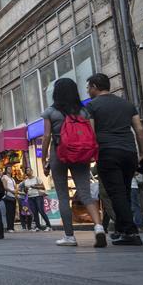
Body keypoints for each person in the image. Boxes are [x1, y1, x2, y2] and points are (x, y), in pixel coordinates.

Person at [86, 73, 143, 246]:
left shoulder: (91, 106)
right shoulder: (127, 104)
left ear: (94, 87)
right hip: (129, 152)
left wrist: (90, 155)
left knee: (116, 193)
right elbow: (139, 129)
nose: (88, 91)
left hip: (107, 152)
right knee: (125, 191)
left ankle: (131, 232)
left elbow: (90, 133)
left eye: (88, 87)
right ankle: (121, 230)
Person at [42, 77, 105, 247]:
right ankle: (99, 227)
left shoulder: (50, 112)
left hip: (59, 154)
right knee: (85, 193)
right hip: (81, 154)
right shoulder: (83, 111)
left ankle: (69, 237)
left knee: (63, 195)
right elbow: (91, 133)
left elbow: (46, 136)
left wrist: (44, 160)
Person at [21, 167, 51, 231]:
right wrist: (25, 190)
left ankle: (49, 226)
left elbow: (43, 187)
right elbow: (26, 191)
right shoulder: (25, 181)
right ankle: (38, 226)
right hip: (30, 197)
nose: (28, 171)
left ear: (32, 171)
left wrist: (33, 186)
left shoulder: (37, 178)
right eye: (27, 171)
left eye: (29, 170)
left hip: (38, 196)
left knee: (41, 211)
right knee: (34, 212)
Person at [0, 167, 17, 233]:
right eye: (9, 169)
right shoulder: (4, 177)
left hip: (13, 196)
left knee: (13, 212)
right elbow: (4, 187)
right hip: (8, 196)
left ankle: (12, 227)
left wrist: (15, 192)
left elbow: (15, 187)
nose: (10, 170)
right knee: (9, 212)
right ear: (6, 170)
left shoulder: (12, 179)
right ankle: (9, 227)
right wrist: (12, 191)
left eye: (11, 169)